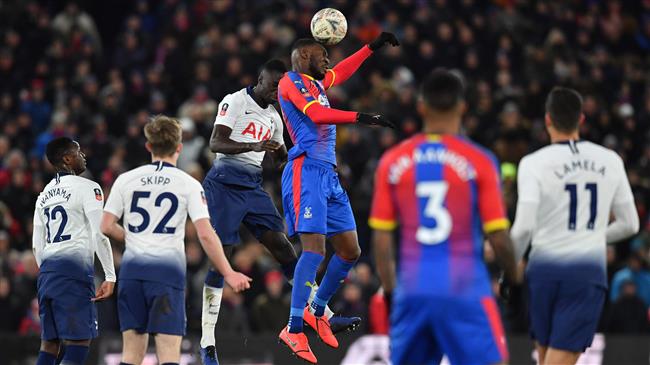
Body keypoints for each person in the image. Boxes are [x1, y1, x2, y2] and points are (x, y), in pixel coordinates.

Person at [199, 59, 360, 365]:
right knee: (223, 256)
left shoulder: (275, 116)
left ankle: (321, 315)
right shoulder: (235, 100)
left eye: (279, 87)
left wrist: (290, 156)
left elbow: (280, 160)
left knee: (284, 249)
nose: (276, 91)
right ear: (259, 79)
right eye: (272, 85)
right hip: (223, 184)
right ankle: (208, 343)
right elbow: (215, 143)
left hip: (253, 185)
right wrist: (257, 145)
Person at [370, 69, 519, 365]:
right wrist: (514, 280)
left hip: (412, 289)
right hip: (464, 287)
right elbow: (499, 237)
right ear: (463, 106)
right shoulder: (480, 161)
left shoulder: (393, 161)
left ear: (421, 106)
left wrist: (390, 293)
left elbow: (382, 241)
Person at [276, 33, 398, 363]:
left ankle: (317, 311)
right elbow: (316, 115)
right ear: (302, 56)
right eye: (321, 54)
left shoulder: (316, 84)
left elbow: (342, 71)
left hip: (328, 173)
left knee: (350, 249)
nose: (327, 60)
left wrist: (371, 48)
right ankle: (294, 327)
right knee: (314, 250)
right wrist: (361, 117)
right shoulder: (291, 81)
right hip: (307, 171)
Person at [100, 116, 251, 365]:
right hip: (167, 275)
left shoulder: (126, 179)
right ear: (179, 147)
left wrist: (135, 238)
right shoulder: (188, 184)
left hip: (132, 272)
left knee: (130, 355)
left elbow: (105, 225)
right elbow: (205, 233)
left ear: (149, 146)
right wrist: (228, 271)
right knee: (169, 354)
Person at [510, 87, 640, 365]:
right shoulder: (610, 160)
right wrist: (592, 236)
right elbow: (630, 224)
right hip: (585, 274)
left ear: (547, 120)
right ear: (581, 119)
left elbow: (522, 229)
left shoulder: (532, 163)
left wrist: (509, 267)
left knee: (545, 358)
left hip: (542, 271)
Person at [33, 137, 116, 365]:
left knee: (50, 343)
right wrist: (110, 275)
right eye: (78, 151)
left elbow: (36, 245)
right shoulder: (89, 188)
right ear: (68, 159)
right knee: (79, 342)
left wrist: (50, 272)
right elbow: (100, 233)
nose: (84, 156)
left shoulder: (43, 196)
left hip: (47, 273)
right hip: (74, 271)